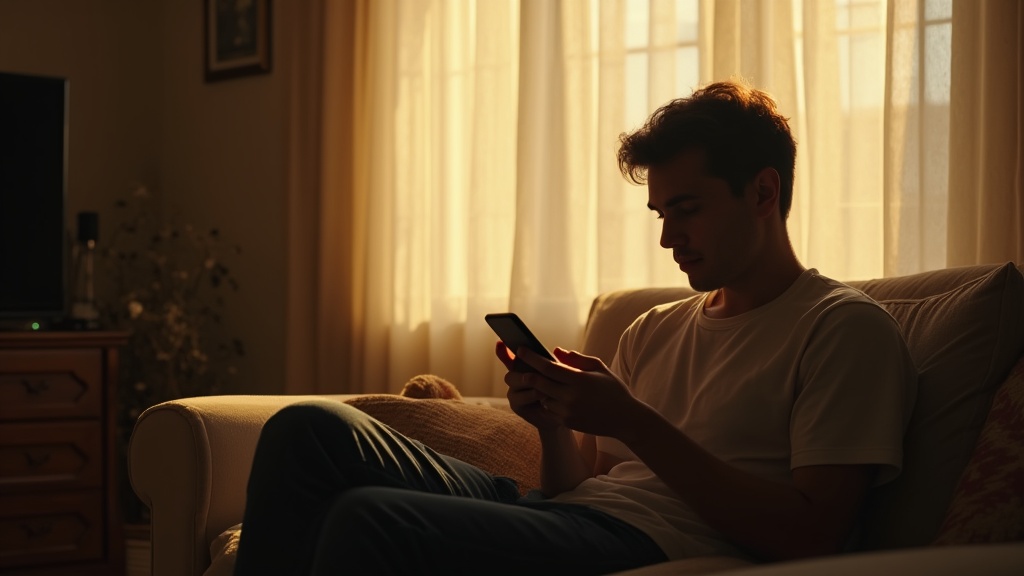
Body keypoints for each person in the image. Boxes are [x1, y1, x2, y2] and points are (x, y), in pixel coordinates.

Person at [232, 80, 917, 575]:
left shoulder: (843, 329)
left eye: (687, 209)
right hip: (569, 515)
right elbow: (571, 489)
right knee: (308, 430)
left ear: (763, 193)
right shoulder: (654, 327)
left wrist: (635, 421)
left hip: (649, 542)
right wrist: (555, 424)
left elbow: (813, 536)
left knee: (370, 516)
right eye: (659, 214)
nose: (668, 237)